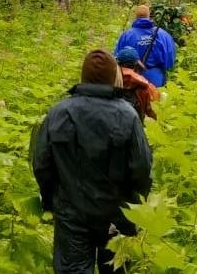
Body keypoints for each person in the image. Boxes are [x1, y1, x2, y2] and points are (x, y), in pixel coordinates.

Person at [31, 49, 152, 274]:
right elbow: (142, 168)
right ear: (112, 78)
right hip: (117, 215)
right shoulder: (128, 115)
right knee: (115, 270)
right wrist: (137, 207)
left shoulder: (58, 113)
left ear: (82, 77)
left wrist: (52, 201)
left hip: (72, 214)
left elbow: (41, 164)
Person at [114, 5, 176, 87]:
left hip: (133, 79)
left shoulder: (126, 35)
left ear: (136, 16)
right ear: (149, 15)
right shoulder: (163, 35)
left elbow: (117, 58)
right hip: (156, 78)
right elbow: (170, 59)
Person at [114, 46, 160, 123]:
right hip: (135, 128)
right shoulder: (146, 86)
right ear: (136, 65)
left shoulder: (108, 80)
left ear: (117, 63)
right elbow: (155, 113)